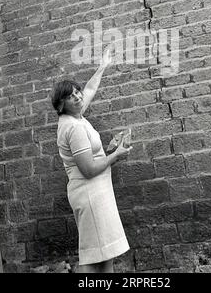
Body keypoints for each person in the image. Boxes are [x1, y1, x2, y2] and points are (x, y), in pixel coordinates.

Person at [51, 47, 132, 273]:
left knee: (106, 253)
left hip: (97, 191)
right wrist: (115, 155)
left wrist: (103, 66)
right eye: (70, 96)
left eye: (76, 92)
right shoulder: (73, 127)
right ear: (60, 105)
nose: (77, 96)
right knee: (91, 256)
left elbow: (90, 88)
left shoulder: (76, 115)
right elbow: (87, 169)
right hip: (89, 193)